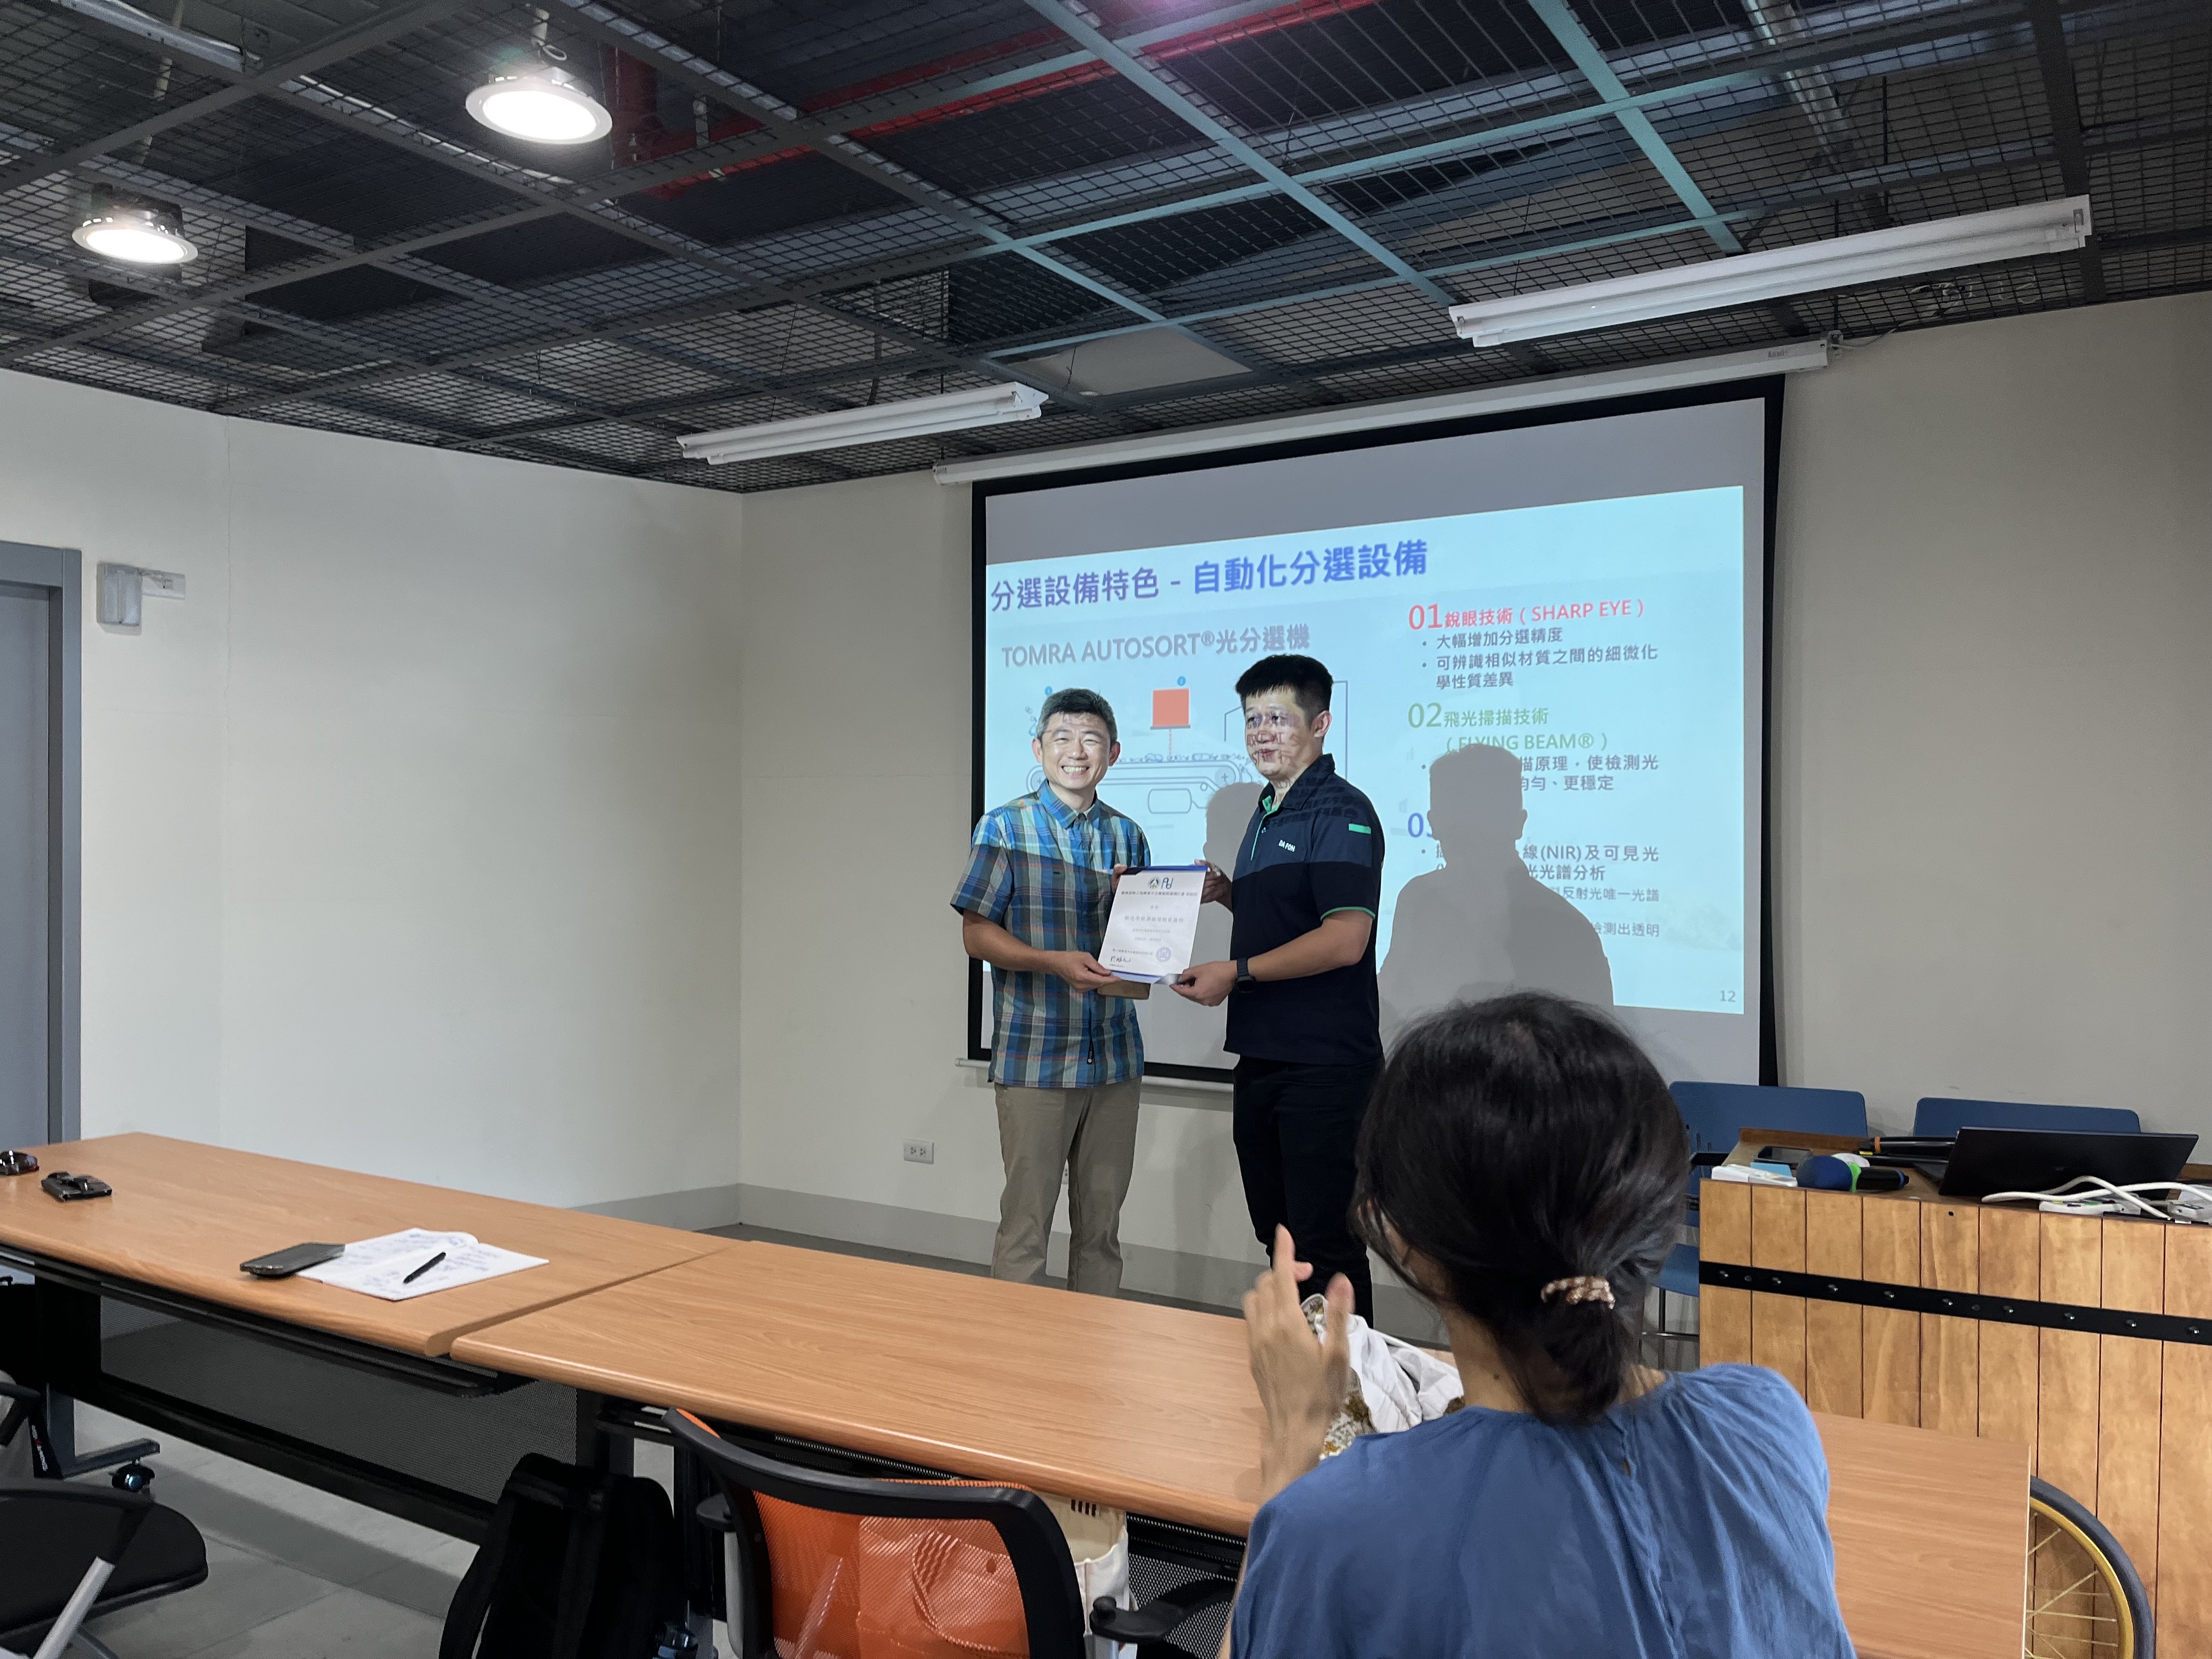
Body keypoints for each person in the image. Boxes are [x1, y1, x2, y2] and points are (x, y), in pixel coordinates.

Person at [1223, 994, 1853, 1657]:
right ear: (1655, 1209)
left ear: (1399, 1235)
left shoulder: (1336, 1524)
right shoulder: (1767, 1420)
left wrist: (1291, 1448)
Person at [1172, 655, 1385, 1323]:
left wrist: (1235, 972)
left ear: (1320, 724)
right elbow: (1293, 918)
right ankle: (1298, 1368)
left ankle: (1347, 1381)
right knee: (1281, 1236)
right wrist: (1228, 894)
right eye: (1251, 720)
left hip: (1324, 1067)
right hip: (1264, 1057)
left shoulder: (1341, 810)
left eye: (1278, 718)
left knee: (1326, 1243)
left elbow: (1344, 938)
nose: (1262, 733)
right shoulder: (1266, 810)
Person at [951, 689, 1150, 1296]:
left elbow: (1141, 948)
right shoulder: (1005, 827)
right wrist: (1052, 963)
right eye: (1063, 738)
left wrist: (1143, 908)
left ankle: (1093, 1348)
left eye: (1092, 740)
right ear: (1039, 749)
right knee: (1026, 1229)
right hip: (1035, 1055)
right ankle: (1019, 1353)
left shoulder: (1128, 836)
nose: (1077, 751)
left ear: (1113, 753)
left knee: (1102, 1233)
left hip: (1114, 1058)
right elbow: (976, 934)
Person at [1378, 741, 1612, 1041]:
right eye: (1458, 824)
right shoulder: (1418, 899)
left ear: (1518, 824)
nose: (1469, 840)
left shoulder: (1565, 927)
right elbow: (1389, 994)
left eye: (1479, 822)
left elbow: (1589, 1050)